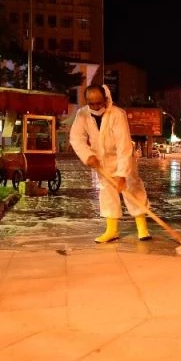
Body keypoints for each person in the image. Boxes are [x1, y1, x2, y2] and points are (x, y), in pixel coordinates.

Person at [70, 84, 151, 243]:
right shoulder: (82, 114)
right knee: (107, 192)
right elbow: (76, 138)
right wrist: (88, 156)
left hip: (123, 159)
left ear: (105, 99)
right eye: (91, 103)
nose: (95, 107)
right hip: (102, 161)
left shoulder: (117, 114)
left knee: (133, 189)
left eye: (98, 103)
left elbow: (123, 145)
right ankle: (112, 230)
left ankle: (142, 227)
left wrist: (121, 174)